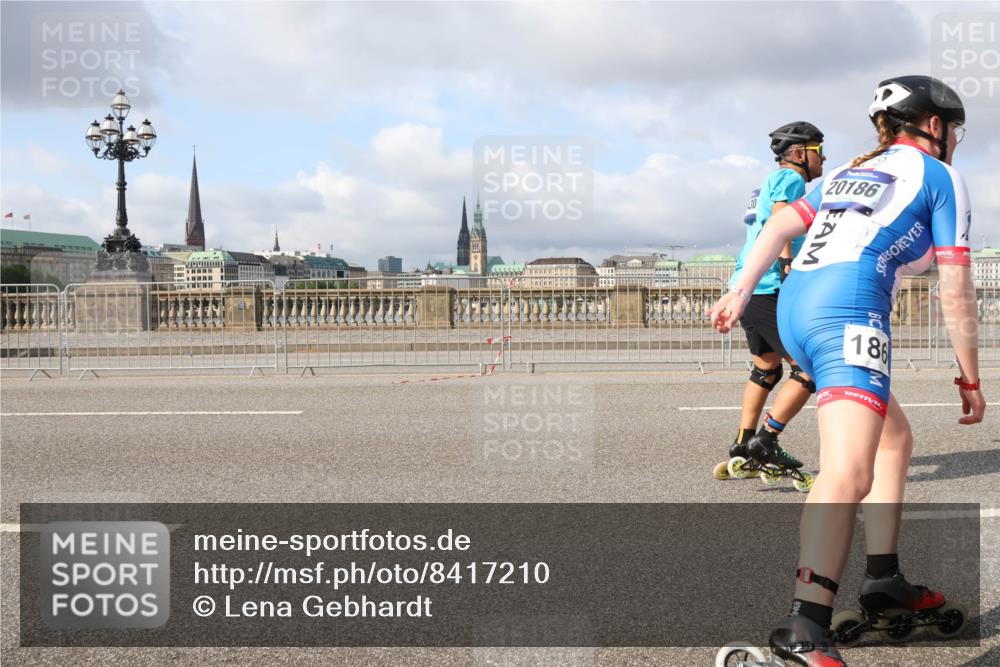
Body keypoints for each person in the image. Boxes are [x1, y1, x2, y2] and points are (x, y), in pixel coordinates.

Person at [710, 75, 985, 666]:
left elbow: (780, 224)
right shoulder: (940, 177)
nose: (956, 138)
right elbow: (956, 287)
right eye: (954, 128)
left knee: (895, 438)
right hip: (849, 315)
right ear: (934, 125)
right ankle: (806, 625)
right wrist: (970, 374)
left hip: (798, 312)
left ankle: (883, 577)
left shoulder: (845, 173)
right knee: (848, 472)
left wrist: (739, 290)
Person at [717, 122, 825, 480]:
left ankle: (743, 442)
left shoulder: (766, 182)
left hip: (747, 282)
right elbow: (782, 218)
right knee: (807, 369)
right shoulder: (791, 179)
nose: (822, 157)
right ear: (798, 154)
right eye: (817, 149)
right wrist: (787, 262)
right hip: (768, 285)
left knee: (767, 367)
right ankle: (767, 440)